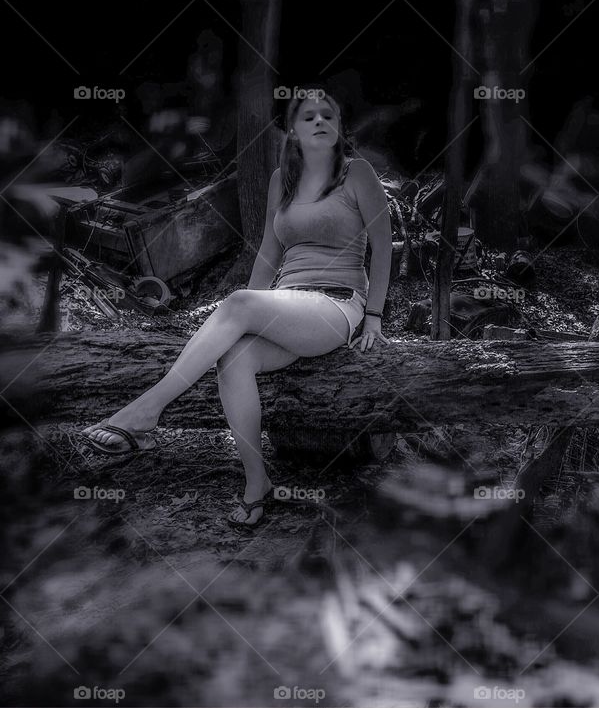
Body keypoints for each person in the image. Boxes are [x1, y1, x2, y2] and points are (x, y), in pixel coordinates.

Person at [80, 86, 393, 527]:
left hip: (335, 305)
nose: (320, 121)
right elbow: (268, 253)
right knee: (234, 357)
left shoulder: (356, 173)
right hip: (289, 307)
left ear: (339, 126)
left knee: (239, 303)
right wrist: (247, 315)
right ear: (293, 129)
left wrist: (374, 317)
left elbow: (383, 246)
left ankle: (146, 412)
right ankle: (256, 483)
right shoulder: (280, 180)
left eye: (328, 115)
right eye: (309, 116)